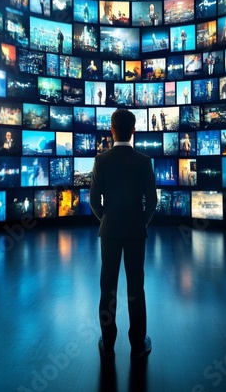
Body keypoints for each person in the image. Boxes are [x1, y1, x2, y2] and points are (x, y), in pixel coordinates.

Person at [90, 109, 157, 359]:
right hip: (136, 231)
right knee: (135, 287)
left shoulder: (101, 161)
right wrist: (142, 222)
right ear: (134, 130)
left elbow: (94, 200)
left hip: (110, 232)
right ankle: (138, 344)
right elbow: (152, 201)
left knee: (108, 287)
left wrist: (106, 219)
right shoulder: (144, 161)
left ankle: (108, 343)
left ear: (111, 129)